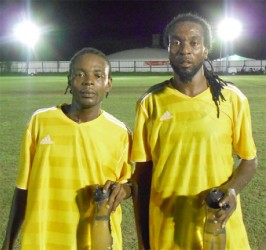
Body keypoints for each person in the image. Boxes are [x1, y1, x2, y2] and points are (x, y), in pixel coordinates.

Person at [131, 13, 257, 250]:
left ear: (206, 50)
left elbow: (249, 161)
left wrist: (231, 190)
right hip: (168, 230)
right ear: (168, 49)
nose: (184, 50)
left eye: (194, 42)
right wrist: (143, 239)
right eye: (176, 42)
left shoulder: (231, 99)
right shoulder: (150, 103)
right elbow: (142, 176)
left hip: (220, 225)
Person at [2, 47, 133, 250]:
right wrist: (7, 244)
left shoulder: (120, 133)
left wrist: (126, 189)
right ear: (69, 80)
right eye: (80, 74)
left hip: (94, 242)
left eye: (98, 75)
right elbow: (22, 189)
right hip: (43, 241)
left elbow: (128, 184)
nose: (88, 81)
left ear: (108, 84)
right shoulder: (40, 122)